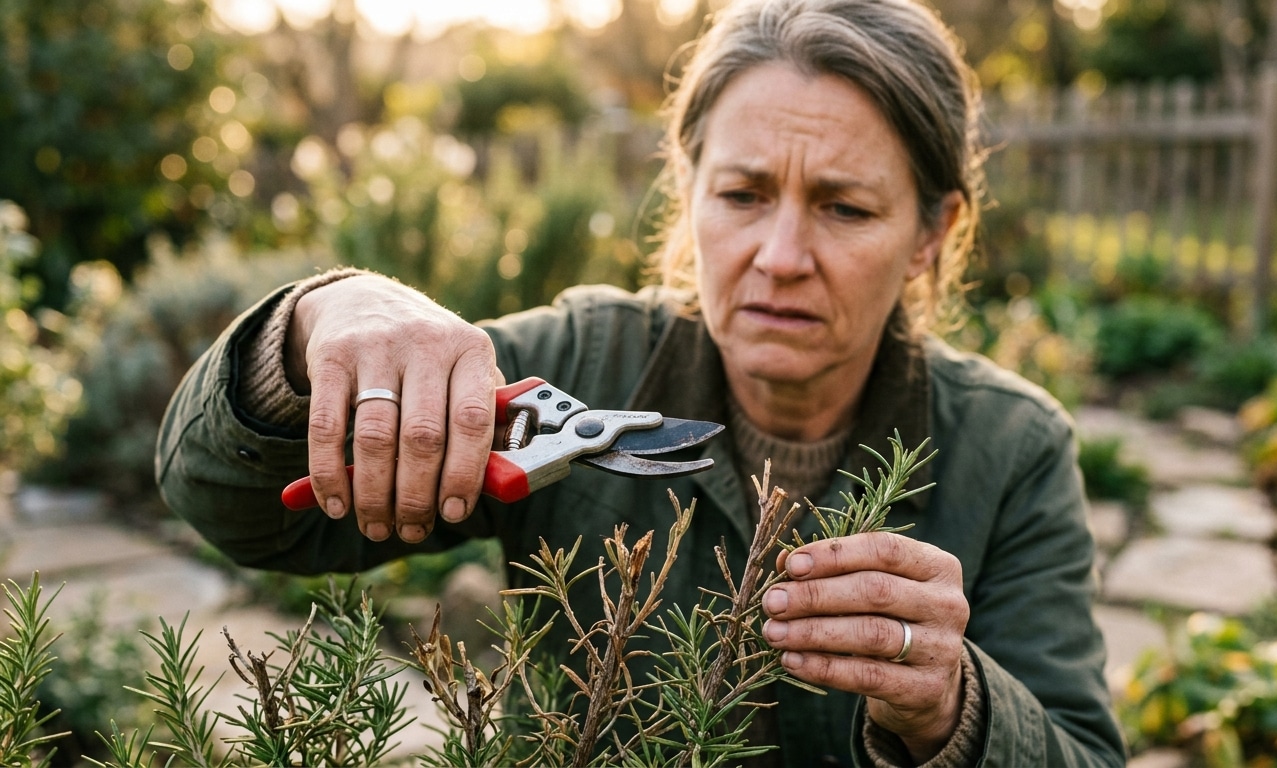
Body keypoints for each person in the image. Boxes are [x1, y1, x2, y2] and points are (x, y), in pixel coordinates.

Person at [157, 0, 1128, 764]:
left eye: (843, 207)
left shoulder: (1011, 451)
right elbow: (232, 509)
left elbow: (1081, 754)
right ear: (688, 187)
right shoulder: (576, 366)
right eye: (742, 195)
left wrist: (954, 707)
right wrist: (318, 325)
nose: (779, 255)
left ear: (931, 235)